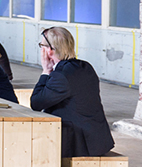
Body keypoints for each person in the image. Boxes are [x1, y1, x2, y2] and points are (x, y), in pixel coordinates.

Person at [30, 27, 114, 158]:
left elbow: (36, 103)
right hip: (98, 139)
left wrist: (45, 71)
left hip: (81, 142)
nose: (41, 49)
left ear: (50, 50)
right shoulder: (85, 66)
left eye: (42, 45)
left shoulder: (62, 75)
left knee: (30, 144)